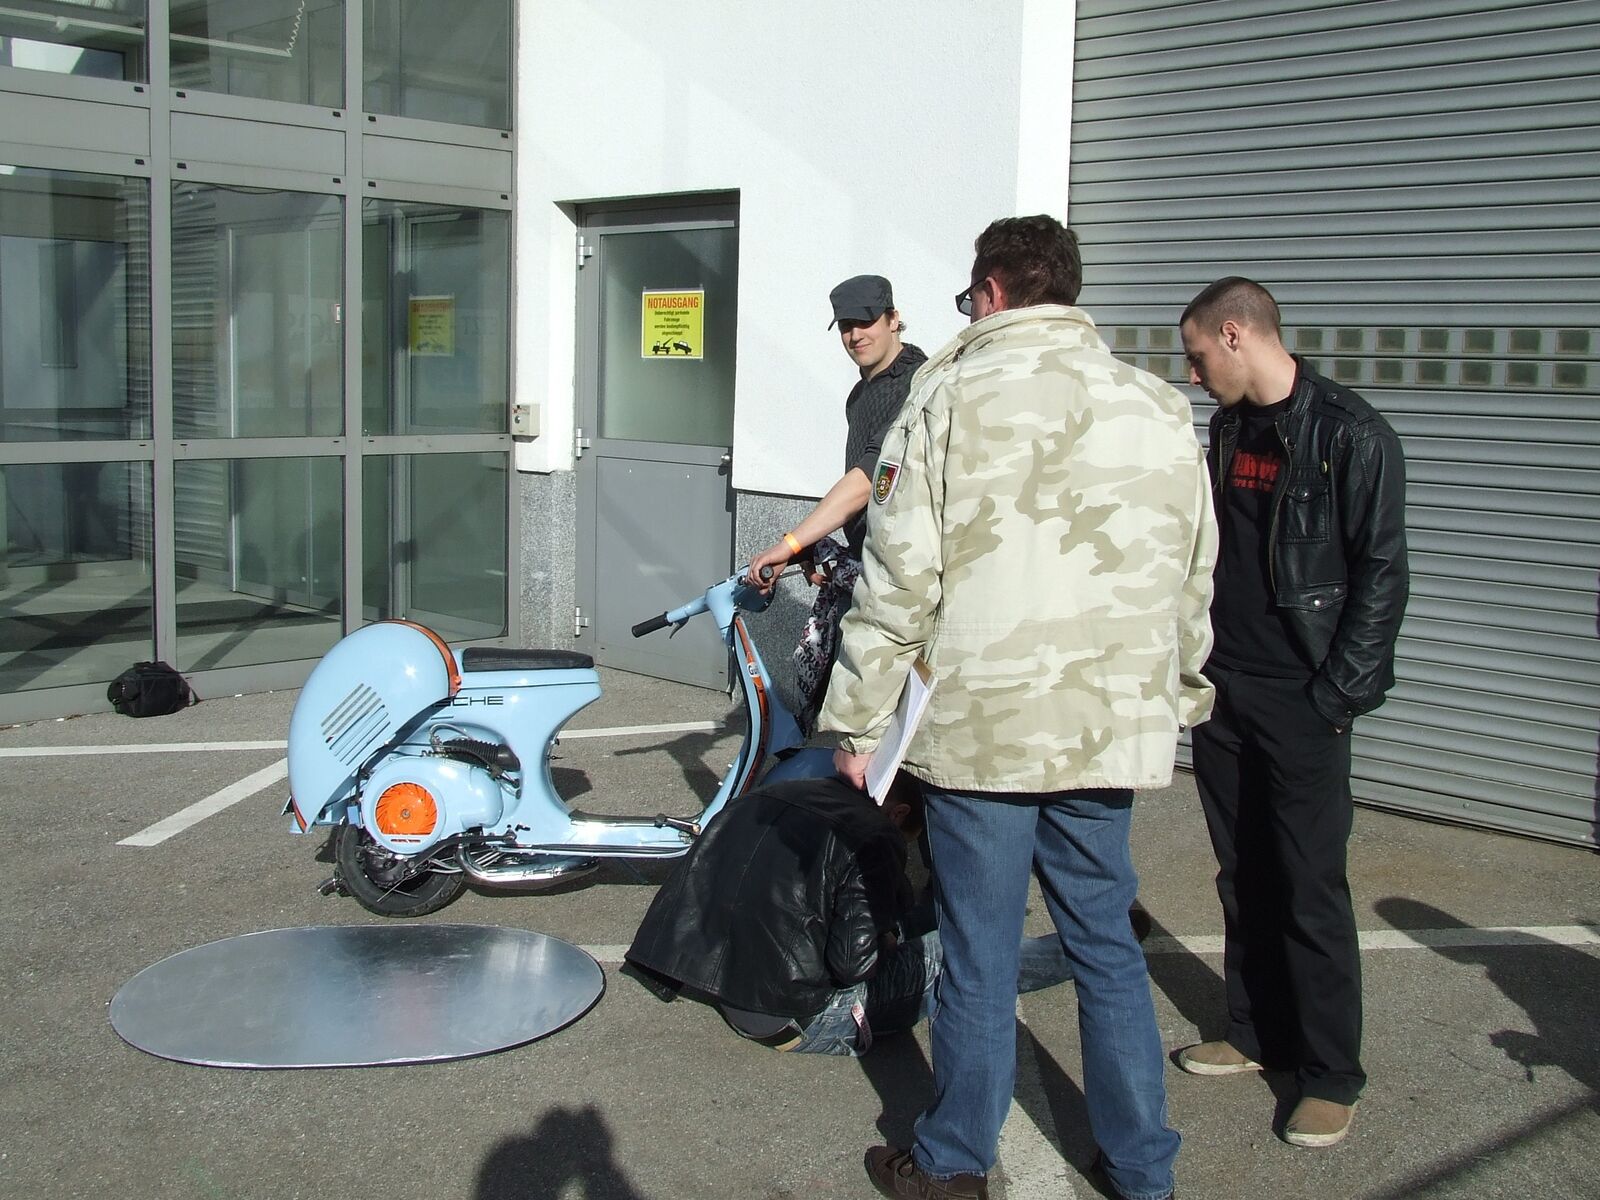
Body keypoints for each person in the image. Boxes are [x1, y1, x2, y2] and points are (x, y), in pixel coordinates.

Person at [820, 215, 1216, 1200]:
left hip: (985, 730)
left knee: (980, 952)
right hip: (1102, 723)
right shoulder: (1156, 404)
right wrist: (1179, 693)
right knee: (1105, 943)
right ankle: (1143, 1171)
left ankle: (955, 1161)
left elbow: (898, 578)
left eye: (969, 297)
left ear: (990, 291)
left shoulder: (945, 396)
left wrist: (856, 723)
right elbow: (1191, 571)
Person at [1174, 277, 1408, 1149]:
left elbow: (1382, 575)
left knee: (1310, 884)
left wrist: (1335, 697)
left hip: (1303, 695)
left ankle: (1330, 1074)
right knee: (1242, 873)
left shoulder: (1351, 434)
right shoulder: (1232, 428)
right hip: (1225, 688)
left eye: (1198, 355)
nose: (1193, 374)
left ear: (1237, 335)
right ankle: (1253, 1031)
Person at [623, 775, 1075, 1056]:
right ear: (899, 813)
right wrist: (886, 938)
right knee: (964, 949)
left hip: (731, 990)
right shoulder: (874, 836)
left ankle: (1021, 932)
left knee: (920, 922)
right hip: (796, 1016)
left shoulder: (774, 793)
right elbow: (855, 966)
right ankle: (1075, 953)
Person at [744, 275, 927, 732]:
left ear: (894, 319)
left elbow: (868, 478)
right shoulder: (861, 393)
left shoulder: (914, 384)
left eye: (866, 322)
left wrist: (791, 542)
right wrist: (815, 546)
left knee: (879, 725)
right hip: (868, 566)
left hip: (905, 581)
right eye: (846, 326)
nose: (855, 335)